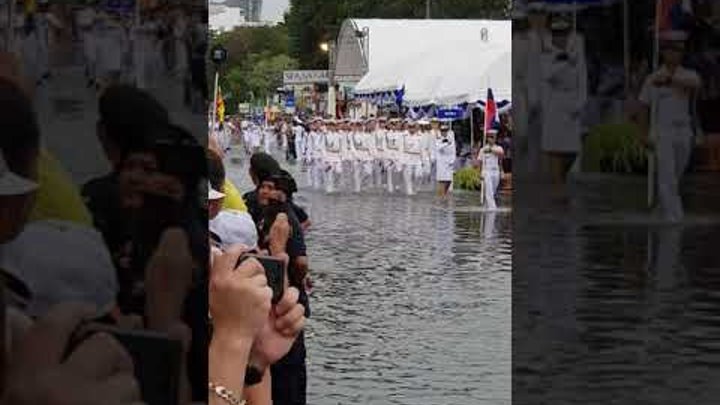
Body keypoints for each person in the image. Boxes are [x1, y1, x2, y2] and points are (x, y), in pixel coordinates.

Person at [638, 30, 701, 223]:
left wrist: (671, 81)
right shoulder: (652, 78)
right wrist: (642, 134)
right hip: (662, 131)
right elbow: (643, 106)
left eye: (678, 50)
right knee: (667, 177)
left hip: (683, 132)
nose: (674, 54)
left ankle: (661, 211)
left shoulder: (689, 75)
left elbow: (696, 84)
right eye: (670, 50)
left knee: (676, 175)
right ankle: (674, 219)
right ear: (663, 52)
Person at [540, 14, 587, 191]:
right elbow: (548, 75)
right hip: (554, 102)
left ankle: (560, 178)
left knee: (573, 150)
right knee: (554, 148)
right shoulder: (546, 53)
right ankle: (557, 185)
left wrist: (581, 102)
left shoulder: (577, 53)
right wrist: (564, 60)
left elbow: (583, 79)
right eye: (557, 33)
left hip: (572, 102)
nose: (560, 37)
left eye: (564, 33)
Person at [478, 128, 505, 209]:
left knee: (492, 191)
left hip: (495, 171)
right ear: (487, 138)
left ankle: (486, 206)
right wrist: (480, 173)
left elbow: (501, 155)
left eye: (493, 137)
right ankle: (493, 209)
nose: (491, 139)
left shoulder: (498, 148)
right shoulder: (483, 149)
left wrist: (501, 171)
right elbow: (480, 161)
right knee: (489, 190)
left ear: (495, 138)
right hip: (487, 171)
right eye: (490, 137)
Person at [435, 121, 456, 197]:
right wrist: (446, 143)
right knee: (441, 180)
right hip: (441, 161)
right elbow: (438, 147)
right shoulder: (438, 138)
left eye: (445, 130)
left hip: (449, 161)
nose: (444, 132)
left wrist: (453, 159)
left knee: (449, 180)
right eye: (442, 131)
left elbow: (453, 149)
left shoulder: (451, 137)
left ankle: (444, 193)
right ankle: (441, 195)